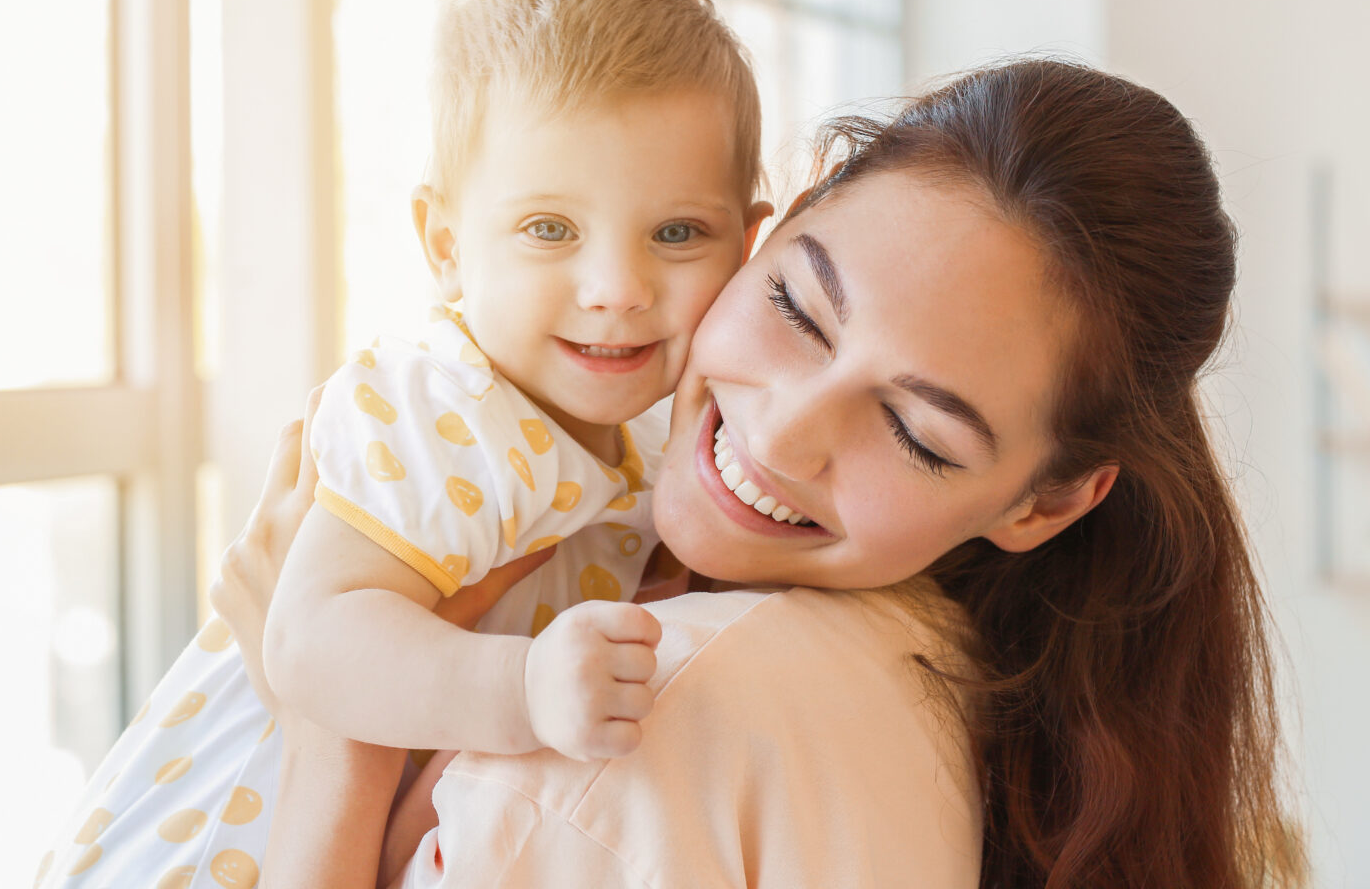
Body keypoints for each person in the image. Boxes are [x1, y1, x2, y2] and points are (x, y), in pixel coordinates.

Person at [217, 60, 1306, 889]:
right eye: (795, 307)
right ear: (771, 224)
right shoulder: (981, 687)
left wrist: (332, 724)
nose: (783, 435)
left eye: (917, 430)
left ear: (1047, 501)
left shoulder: (649, 721)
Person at [32, 0, 772, 889]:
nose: (617, 290)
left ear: (747, 246)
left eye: (676, 233)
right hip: (205, 844)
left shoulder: (637, 443)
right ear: (447, 245)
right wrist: (523, 690)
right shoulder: (446, 403)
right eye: (550, 230)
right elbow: (307, 641)